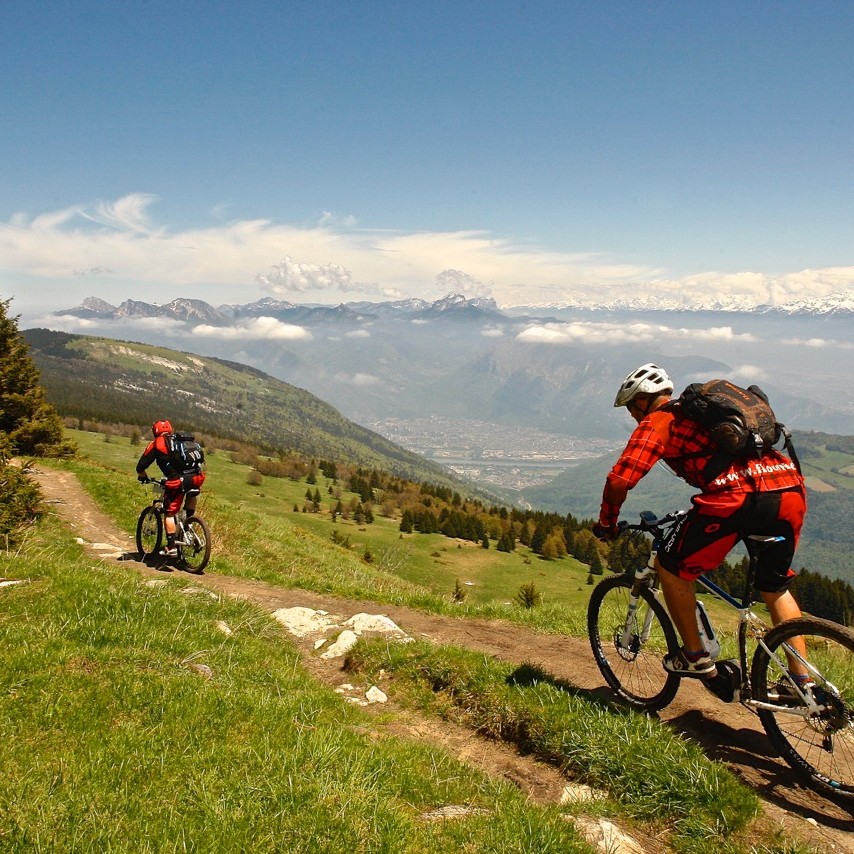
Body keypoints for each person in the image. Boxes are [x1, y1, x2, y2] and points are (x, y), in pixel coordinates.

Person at [592, 363, 808, 683]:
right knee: (775, 588)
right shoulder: (704, 415)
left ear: (640, 401)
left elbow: (620, 480)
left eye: (630, 407)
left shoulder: (658, 421)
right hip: (788, 486)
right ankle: (802, 681)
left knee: (671, 566)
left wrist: (607, 523)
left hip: (736, 497)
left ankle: (694, 656)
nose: (632, 415)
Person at [136, 419, 206, 556]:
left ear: (155, 431)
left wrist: (143, 476)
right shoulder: (180, 441)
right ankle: (189, 522)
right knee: (191, 494)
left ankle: (171, 546)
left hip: (177, 481)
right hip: (196, 477)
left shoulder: (157, 443)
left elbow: (141, 466)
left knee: (169, 513)